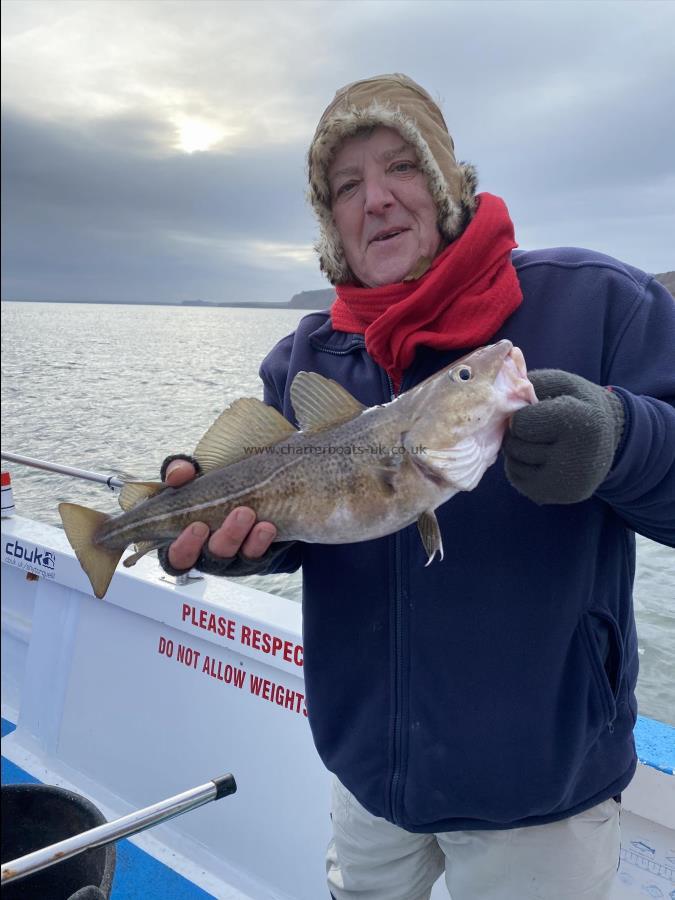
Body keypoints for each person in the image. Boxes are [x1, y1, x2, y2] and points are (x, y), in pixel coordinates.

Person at [158, 74, 675, 899]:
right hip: (369, 780)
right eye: (346, 186)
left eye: (400, 167)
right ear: (330, 220)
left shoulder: (597, 304)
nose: (378, 200)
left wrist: (619, 439)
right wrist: (235, 548)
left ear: (445, 184)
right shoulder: (307, 356)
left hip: (538, 796)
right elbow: (300, 526)